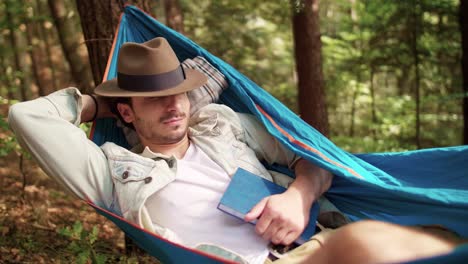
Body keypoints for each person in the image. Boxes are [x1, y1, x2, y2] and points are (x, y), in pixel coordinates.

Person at [8, 37, 462, 263]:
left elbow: (314, 160)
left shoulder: (221, 123)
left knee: (442, 236)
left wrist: (298, 196)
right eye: (154, 99)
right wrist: (103, 103)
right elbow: (27, 117)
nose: (173, 105)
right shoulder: (112, 169)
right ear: (126, 114)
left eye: (180, 92)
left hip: (315, 237)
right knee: (368, 245)